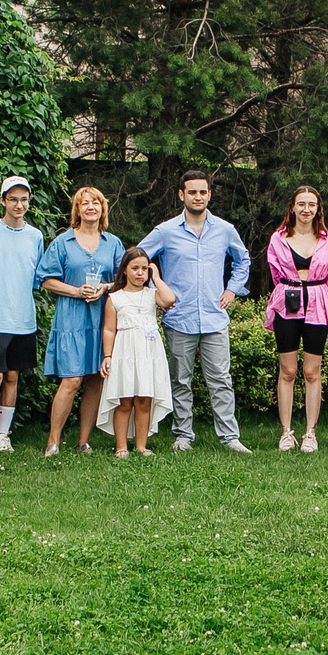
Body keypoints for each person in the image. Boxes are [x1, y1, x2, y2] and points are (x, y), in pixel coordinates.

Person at [139, 170, 253, 453]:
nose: (198, 197)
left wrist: (232, 289)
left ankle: (229, 438)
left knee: (221, 380)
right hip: (179, 317)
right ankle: (183, 436)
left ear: (210, 194)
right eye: (192, 192)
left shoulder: (224, 229)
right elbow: (137, 258)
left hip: (214, 318)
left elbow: (243, 260)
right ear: (181, 195)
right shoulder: (165, 231)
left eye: (203, 192)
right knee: (180, 380)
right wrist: (156, 282)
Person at [37, 186, 123, 455]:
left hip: (103, 318)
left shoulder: (113, 243)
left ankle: (83, 441)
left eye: (95, 203)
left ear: (102, 209)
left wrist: (105, 288)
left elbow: (124, 279)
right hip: (71, 318)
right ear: (77, 210)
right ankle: (53, 441)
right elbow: (45, 279)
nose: (90, 207)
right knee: (71, 380)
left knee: (95, 379)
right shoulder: (63, 243)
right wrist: (75, 291)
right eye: (84, 203)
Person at [266, 185, 328, 451]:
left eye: (312, 204)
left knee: (311, 371)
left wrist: (315, 292)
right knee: (288, 370)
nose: (306, 209)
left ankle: (310, 433)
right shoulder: (278, 238)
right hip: (288, 302)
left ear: (318, 209)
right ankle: (286, 431)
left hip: (317, 302)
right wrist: (291, 289)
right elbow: (275, 274)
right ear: (292, 207)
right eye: (301, 204)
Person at [0, 176, 45, 453]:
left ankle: (3, 435)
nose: (19, 204)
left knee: (13, 377)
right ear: (3, 200)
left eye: (24, 199)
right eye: (13, 199)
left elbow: (36, 277)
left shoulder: (36, 236)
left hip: (23, 318)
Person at [97, 246, 176, 456]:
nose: (140, 273)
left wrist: (156, 277)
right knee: (124, 400)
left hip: (148, 353)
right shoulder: (115, 297)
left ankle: (141, 445)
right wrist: (107, 356)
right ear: (124, 270)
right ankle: (121, 445)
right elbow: (109, 330)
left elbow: (169, 299)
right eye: (135, 268)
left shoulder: (152, 294)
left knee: (144, 399)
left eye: (144, 269)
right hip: (125, 352)